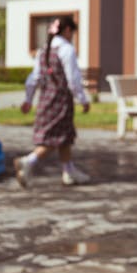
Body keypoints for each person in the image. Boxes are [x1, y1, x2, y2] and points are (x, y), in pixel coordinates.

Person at [16, 16, 91, 187]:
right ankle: (29, 161)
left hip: (46, 98)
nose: (72, 36)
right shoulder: (67, 49)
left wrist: (28, 99)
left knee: (64, 137)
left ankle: (68, 171)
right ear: (67, 30)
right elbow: (73, 79)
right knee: (55, 138)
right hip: (61, 99)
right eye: (72, 32)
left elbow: (33, 78)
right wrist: (83, 99)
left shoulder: (44, 50)